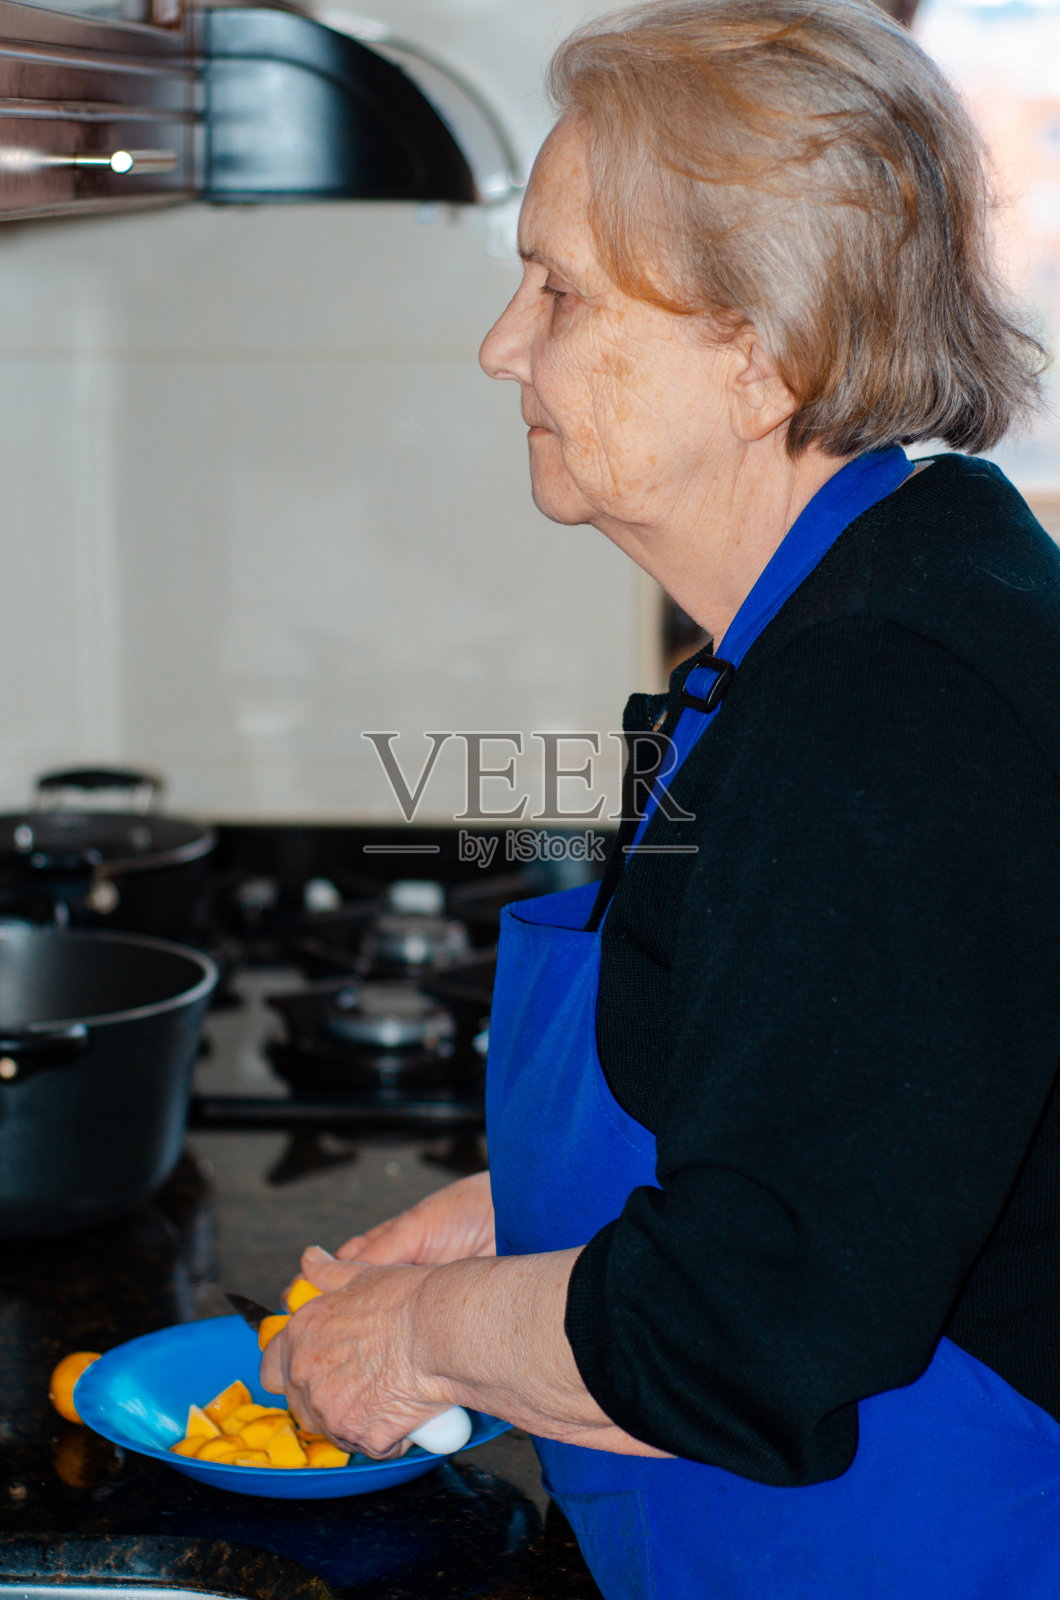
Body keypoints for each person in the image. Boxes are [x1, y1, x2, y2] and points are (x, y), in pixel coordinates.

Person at [262, 1, 1060, 1593]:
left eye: (557, 289)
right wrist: (531, 1213)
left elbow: (755, 1329)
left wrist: (425, 1338)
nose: (504, 344)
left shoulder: (884, 701)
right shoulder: (860, 605)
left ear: (760, 355)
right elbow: (857, 1108)